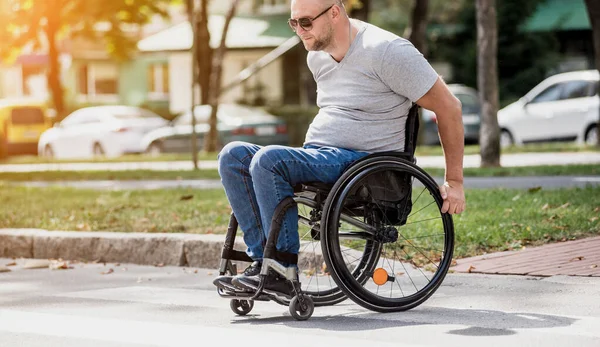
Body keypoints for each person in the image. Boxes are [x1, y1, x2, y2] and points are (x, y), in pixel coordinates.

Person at [214, 0, 466, 298]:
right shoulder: (317, 56)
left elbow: (449, 107)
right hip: (322, 156)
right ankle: (263, 263)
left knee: (269, 160)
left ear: (335, 11)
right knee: (233, 156)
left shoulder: (387, 51)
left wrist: (455, 181)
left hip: (365, 163)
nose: (299, 31)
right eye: (293, 23)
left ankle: (281, 269)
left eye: (305, 22)